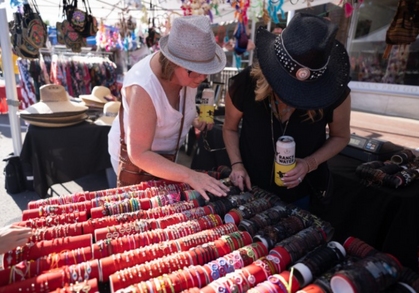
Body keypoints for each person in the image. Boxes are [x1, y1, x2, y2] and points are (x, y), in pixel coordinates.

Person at [223, 13, 351, 211]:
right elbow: (229, 128)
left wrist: (310, 163)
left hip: (302, 194)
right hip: (249, 189)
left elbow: (341, 136)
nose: (292, 97)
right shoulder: (244, 84)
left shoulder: (335, 93)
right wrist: (237, 164)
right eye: (286, 86)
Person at [108, 15, 230, 200]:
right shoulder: (143, 86)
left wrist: (194, 120)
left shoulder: (187, 76)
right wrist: (190, 175)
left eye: (207, 71)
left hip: (166, 162)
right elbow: (139, 154)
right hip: (137, 166)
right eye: (195, 71)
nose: (202, 78)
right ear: (174, 63)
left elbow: (175, 111)